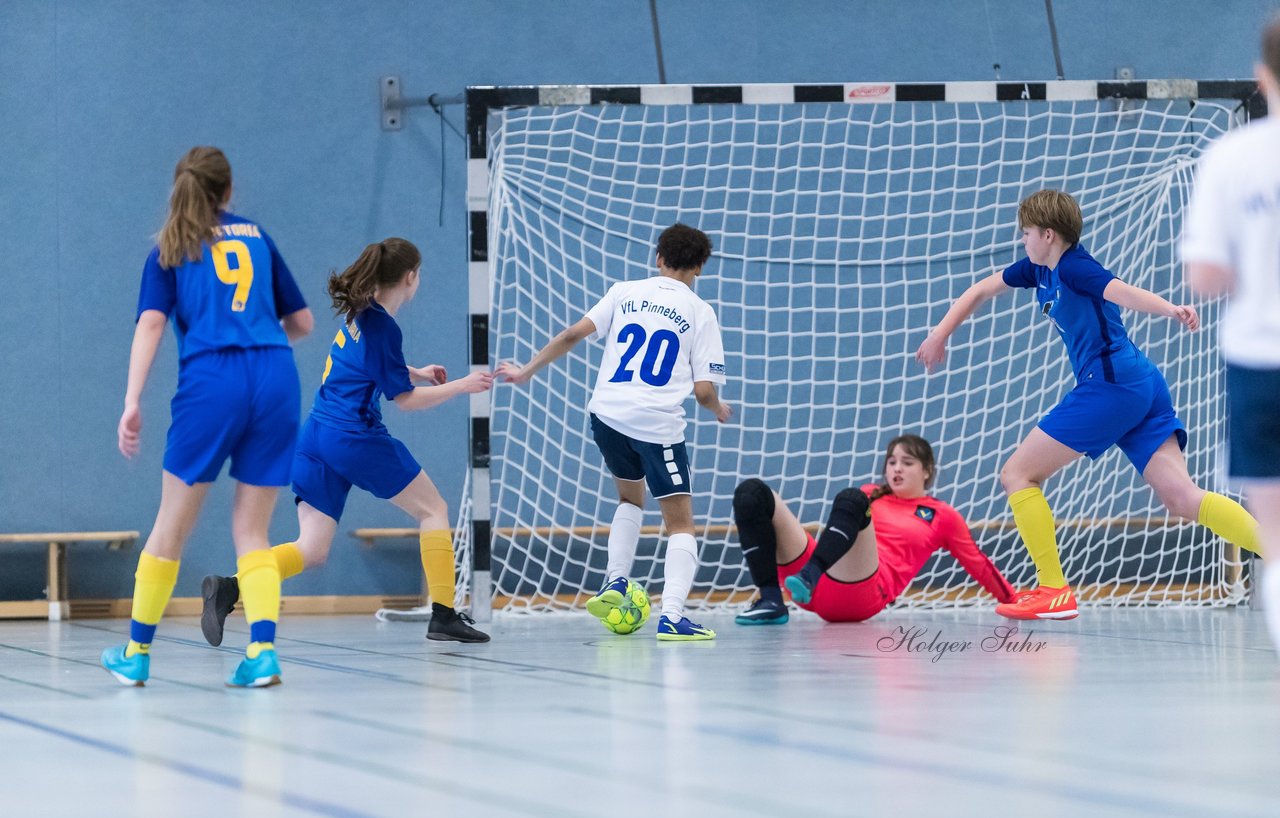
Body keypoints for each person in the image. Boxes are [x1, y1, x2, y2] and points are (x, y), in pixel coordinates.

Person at [916, 189, 1263, 620]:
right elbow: (981, 290)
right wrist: (940, 334)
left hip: (1112, 387)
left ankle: (1053, 590)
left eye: (1025, 232)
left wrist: (1171, 309)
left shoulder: (1077, 267)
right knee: (1181, 498)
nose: (1021, 240)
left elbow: (1123, 292)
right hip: (1140, 383)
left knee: (1018, 474)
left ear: (1048, 234)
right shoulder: (1036, 269)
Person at [200, 238, 494, 646]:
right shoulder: (384, 326)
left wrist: (417, 371)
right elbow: (405, 402)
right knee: (434, 509)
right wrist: (463, 386)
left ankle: (230, 587)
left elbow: (368, 364)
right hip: (353, 437)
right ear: (410, 278)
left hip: (315, 438)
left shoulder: (362, 314)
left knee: (312, 549)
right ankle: (443, 615)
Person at [103, 146, 314, 688]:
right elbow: (304, 322)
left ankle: (136, 652)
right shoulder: (257, 237)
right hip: (275, 376)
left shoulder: (170, 247)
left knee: (172, 524)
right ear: (228, 190)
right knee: (253, 528)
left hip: (211, 381)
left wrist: (131, 401)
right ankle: (262, 651)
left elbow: (151, 326)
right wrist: (260, 344)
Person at [496, 223, 731, 640]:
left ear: (658, 258)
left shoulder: (624, 291)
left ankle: (615, 581)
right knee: (680, 525)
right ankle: (673, 616)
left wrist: (526, 371)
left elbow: (571, 334)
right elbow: (702, 391)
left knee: (629, 497)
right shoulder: (700, 311)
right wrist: (718, 408)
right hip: (656, 424)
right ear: (700, 267)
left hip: (605, 415)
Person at [1183, 14, 1280, 650]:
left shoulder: (1231, 156)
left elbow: (1205, 276)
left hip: (1258, 360)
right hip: (1254, 357)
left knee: (1275, 535)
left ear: (1262, 75)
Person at [732, 434, 1014, 624]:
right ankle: (771, 601)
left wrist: (1013, 600)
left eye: (907, 462)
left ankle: (808, 577)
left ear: (927, 470)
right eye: (892, 462)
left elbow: (978, 563)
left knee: (853, 498)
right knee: (752, 493)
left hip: (861, 595)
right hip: (816, 580)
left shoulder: (942, 515)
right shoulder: (873, 493)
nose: (897, 469)